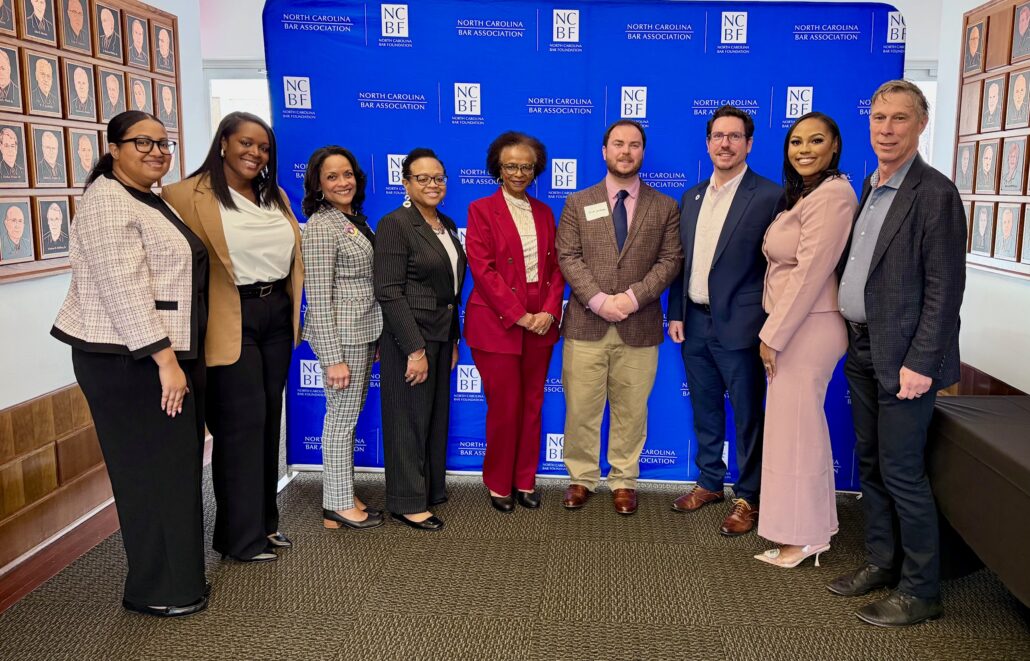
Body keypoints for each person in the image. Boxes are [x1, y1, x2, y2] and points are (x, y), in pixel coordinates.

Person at [50, 110, 209, 617]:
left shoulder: (149, 199)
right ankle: (158, 590)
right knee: (150, 474)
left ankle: (178, 580)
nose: (157, 152)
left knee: (173, 470)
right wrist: (165, 360)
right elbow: (124, 291)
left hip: (161, 356)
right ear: (113, 148)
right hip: (131, 362)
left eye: (164, 144)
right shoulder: (105, 202)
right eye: (143, 143)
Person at [830, 80, 966, 627]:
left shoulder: (934, 193)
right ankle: (883, 563)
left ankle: (920, 589)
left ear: (920, 125)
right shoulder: (871, 184)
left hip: (907, 358)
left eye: (899, 119)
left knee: (904, 471)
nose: (886, 129)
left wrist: (922, 363)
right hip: (863, 347)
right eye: (879, 118)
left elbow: (944, 288)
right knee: (872, 464)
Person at [163, 112, 304, 562]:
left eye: (263, 148)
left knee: (267, 423)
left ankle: (263, 525)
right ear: (223, 143)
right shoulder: (183, 195)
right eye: (246, 143)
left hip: (276, 315)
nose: (255, 153)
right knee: (240, 428)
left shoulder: (274, 195)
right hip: (229, 316)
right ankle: (238, 538)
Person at [667, 105, 784, 535]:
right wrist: (675, 312)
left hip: (743, 325)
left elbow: (778, 267)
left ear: (749, 144)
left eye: (735, 136)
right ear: (707, 143)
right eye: (718, 136)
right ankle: (710, 482)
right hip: (694, 322)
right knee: (705, 409)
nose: (725, 143)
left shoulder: (770, 196)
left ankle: (749, 495)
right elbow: (682, 261)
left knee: (749, 414)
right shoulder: (692, 196)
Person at [557, 119, 681, 516]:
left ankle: (624, 479)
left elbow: (670, 260)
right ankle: (582, 476)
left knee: (632, 409)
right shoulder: (578, 202)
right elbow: (568, 256)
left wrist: (630, 299)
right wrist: (597, 299)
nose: (625, 151)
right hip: (585, 323)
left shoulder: (665, 206)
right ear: (604, 151)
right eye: (618, 144)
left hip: (639, 324)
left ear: (642, 152)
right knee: (581, 407)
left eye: (634, 145)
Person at [751, 112, 857, 568]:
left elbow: (811, 273)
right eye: (796, 142)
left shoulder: (833, 195)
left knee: (797, 433)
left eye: (816, 141)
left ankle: (805, 538)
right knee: (794, 431)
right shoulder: (806, 196)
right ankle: (805, 531)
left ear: (834, 146)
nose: (805, 149)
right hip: (795, 323)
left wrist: (772, 336)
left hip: (808, 325)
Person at [464, 132, 564, 512]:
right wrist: (520, 315)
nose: (519, 173)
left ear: (536, 168)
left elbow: (556, 269)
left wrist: (549, 313)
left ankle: (524, 480)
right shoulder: (480, 210)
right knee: (505, 407)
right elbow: (483, 271)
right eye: (511, 166)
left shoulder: (544, 212)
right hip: (498, 323)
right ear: (498, 168)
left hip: (540, 323)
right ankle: (498, 481)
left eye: (526, 166)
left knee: (532, 404)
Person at [373, 148, 466, 531]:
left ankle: (427, 489)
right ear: (406, 182)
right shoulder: (395, 223)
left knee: (432, 418)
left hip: (441, 336)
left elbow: (452, 289)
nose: (433, 184)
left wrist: (454, 339)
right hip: (409, 338)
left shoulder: (445, 222)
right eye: (423, 178)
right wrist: (414, 349)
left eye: (439, 177)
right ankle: (407, 502)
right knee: (407, 420)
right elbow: (389, 291)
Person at [300, 146, 384, 530]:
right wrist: (332, 358)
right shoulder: (321, 225)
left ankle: (343, 491)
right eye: (332, 176)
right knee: (341, 419)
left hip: (362, 330)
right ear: (318, 183)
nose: (342, 182)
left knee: (346, 416)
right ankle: (335, 504)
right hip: (342, 337)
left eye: (347, 173)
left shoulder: (349, 219)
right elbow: (316, 296)